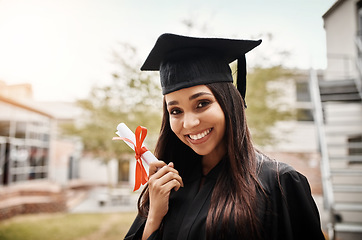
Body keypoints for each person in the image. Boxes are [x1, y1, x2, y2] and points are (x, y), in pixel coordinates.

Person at [124, 33, 325, 240]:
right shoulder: (168, 184)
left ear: (229, 102)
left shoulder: (279, 183)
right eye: (176, 111)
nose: (189, 123)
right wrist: (154, 216)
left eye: (202, 104)